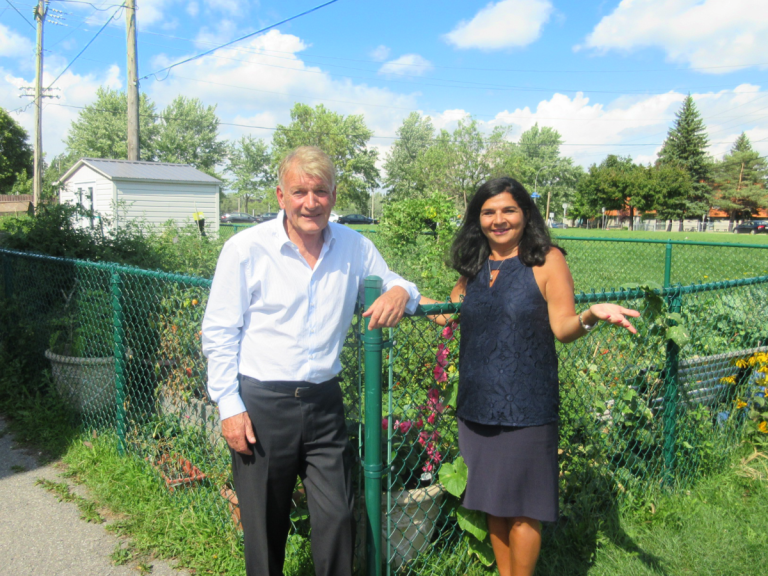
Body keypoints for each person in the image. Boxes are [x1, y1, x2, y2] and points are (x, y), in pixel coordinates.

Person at [202, 146, 420, 576]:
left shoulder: (355, 247)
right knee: (265, 528)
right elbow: (220, 331)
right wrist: (229, 405)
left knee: (338, 517)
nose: (310, 202)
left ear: (334, 196)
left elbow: (394, 282)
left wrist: (399, 290)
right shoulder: (246, 249)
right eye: (299, 192)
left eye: (320, 192)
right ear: (280, 196)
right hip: (262, 407)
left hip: (324, 403)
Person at [421, 177, 639, 576]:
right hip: (477, 405)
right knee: (492, 504)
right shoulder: (474, 266)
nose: (498, 220)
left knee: (524, 511)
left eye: (509, 210)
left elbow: (563, 329)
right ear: (477, 219)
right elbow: (446, 315)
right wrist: (401, 293)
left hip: (527, 405)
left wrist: (591, 316)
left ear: (525, 214)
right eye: (488, 212)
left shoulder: (546, 260)